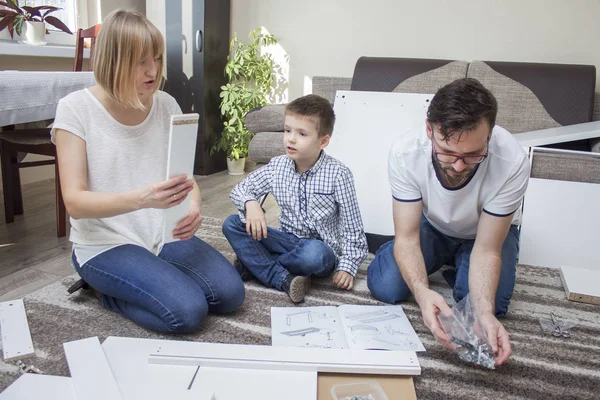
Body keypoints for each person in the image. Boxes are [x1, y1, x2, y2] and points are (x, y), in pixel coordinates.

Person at [51, 10, 244, 333]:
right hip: (103, 244)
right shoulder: (75, 110)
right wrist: (144, 198)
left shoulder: (166, 104)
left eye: (155, 58)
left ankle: (150, 274)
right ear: (114, 60)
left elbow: (186, 181)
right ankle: (103, 290)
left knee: (230, 295)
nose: (152, 70)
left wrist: (194, 205)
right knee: (188, 311)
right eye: (141, 62)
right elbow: (75, 202)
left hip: (160, 234)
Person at [367, 78, 530, 365]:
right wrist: (421, 292)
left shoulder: (513, 161)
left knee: (489, 308)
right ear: (429, 131)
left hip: (484, 233)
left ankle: (459, 265)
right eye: (447, 152)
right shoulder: (405, 153)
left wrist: (484, 312)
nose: (457, 166)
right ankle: (434, 259)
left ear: (490, 135)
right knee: (386, 286)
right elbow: (407, 238)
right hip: (434, 226)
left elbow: (488, 249)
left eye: (472, 155)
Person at [222, 94, 368, 303]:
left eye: (301, 133)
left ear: (323, 141)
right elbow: (240, 189)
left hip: (320, 250)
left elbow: (353, 227)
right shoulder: (277, 166)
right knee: (232, 224)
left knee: (315, 254)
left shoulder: (339, 174)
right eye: (287, 130)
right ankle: (284, 277)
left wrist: (348, 267)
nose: (290, 138)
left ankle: (257, 266)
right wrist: (251, 203)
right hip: (286, 241)